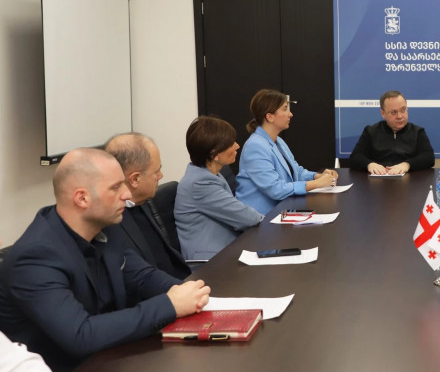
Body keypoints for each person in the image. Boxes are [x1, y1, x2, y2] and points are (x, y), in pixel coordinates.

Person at [0, 148, 210, 372]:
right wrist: (170, 305)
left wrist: (191, 294)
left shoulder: (105, 226)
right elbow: (81, 335)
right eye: (115, 187)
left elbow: (143, 277)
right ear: (82, 198)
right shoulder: (34, 257)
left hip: (112, 363)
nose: (127, 194)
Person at [175, 116, 264, 261]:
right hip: (211, 261)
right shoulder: (201, 183)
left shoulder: (209, 174)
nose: (237, 146)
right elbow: (247, 218)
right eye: (231, 144)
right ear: (214, 154)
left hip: (226, 250)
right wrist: (271, 223)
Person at [103, 132, 190, 280]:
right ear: (135, 179)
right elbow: (139, 278)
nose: (161, 176)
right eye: (156, 171)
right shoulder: (109, 221)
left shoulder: (143, 200)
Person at [236, 89, 338, 214]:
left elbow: (296, 171)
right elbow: (275, 189)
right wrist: (316, 184)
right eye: (285, 109)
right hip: (263, 217)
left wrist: (317, 176)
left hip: (283, 209)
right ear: (270, 117)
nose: (290, 114)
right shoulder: (255, 146)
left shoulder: (278, 141)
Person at [348, 90, 435, 175]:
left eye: (403, 110)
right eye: (393, 112)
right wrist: (370, 164)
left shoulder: (417, 132)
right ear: (383, 113)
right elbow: (355, 157)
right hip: (378, 180)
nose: (400, 116)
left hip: (409, 180)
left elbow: (429, 157)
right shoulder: (371, 131)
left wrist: (407, 164)